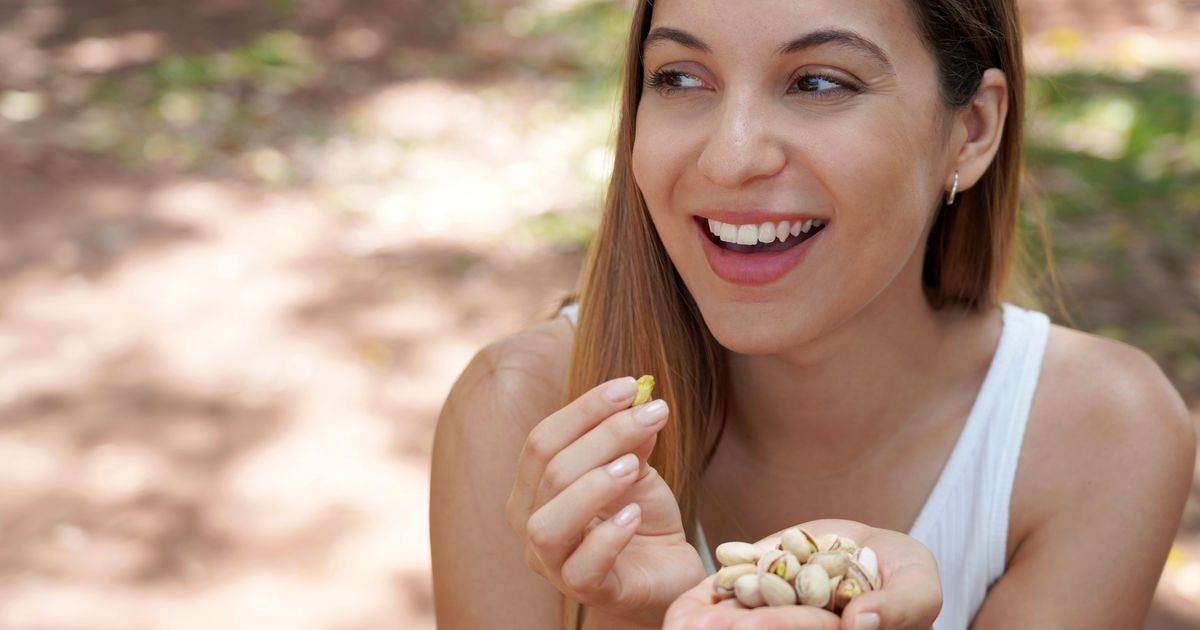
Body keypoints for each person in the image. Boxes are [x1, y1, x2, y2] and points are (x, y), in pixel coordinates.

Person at [430, 0, 1196, 628]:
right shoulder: (523, 413)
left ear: (971, 130)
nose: (731, 158)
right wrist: (646, 615)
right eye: (680, 78)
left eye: (819, 83)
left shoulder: (1103, 435)